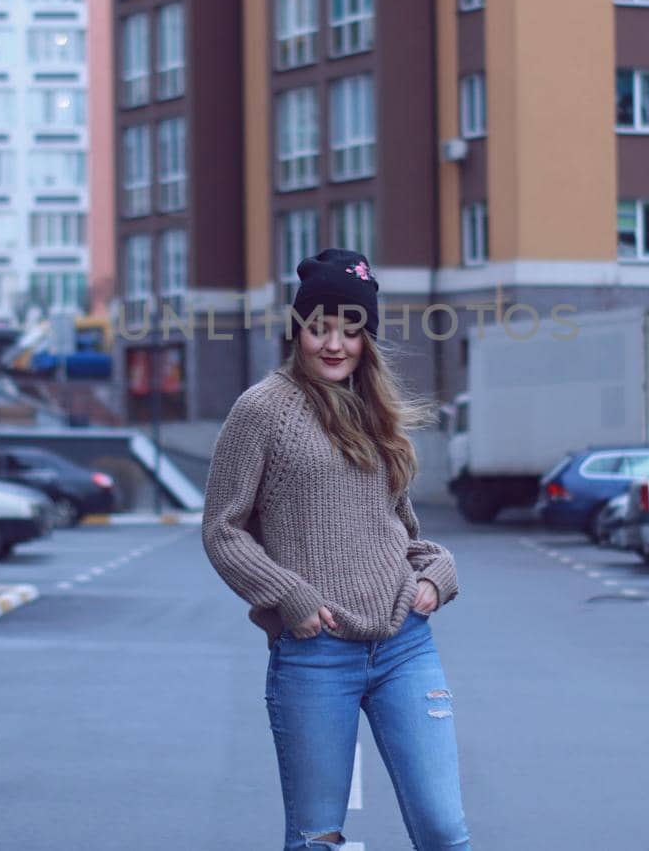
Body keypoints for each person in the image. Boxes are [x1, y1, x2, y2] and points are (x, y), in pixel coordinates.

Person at [202, 248, 472, 851]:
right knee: (318, 840)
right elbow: (222, 528)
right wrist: (289, 596)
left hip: (405, 645)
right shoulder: (261, 410)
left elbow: (397, 526)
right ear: (297, 329)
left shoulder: (374, 411)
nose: (334, 343)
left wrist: (436, 572)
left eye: (351, 331)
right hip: (316, 653)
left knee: (444, 831)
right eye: (320, 327)